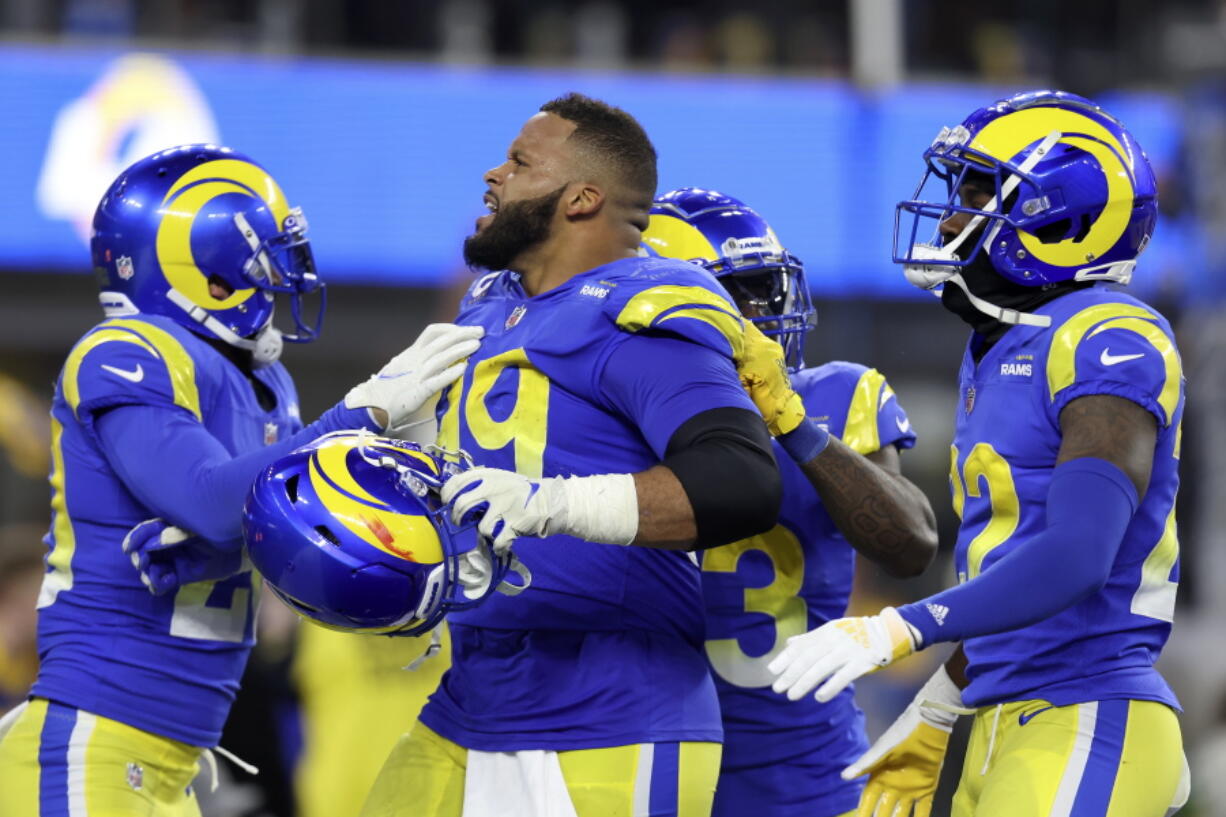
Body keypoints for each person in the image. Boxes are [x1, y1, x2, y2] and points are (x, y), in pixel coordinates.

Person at [0, 144, 481, 817]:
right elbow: (209, 497)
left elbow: (278, 530)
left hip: (173, 763)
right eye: (267, 252)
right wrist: (360, 414)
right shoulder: (127, 351)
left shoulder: (264, 381)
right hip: (94, 744)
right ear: (205, 269)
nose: (287, 270)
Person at [764, 91, 1191, 816]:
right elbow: (1011, 568)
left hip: (1086, 712)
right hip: (1003, 717)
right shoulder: (1001, 344)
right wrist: (940, 704)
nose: (953, 216)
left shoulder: (1108, 336)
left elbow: (1080, 555)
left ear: (1062, 216)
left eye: (976, 191)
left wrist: (900, 626)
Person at [360, 93, 783, 817]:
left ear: (582, 198)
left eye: (521, 162)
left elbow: (739, 480)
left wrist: (553, 503)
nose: (494, 174)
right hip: (473, 702)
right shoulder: (492, 304)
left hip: (610, 720)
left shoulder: (640, 305)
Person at [642, 187, 938, 817]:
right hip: (641, 757)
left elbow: (910, 546)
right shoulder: (609, 413)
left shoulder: (833, 395)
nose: (761, 315)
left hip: (803, 771)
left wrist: (794, 426)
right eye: (735, 296)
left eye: (765, 291)